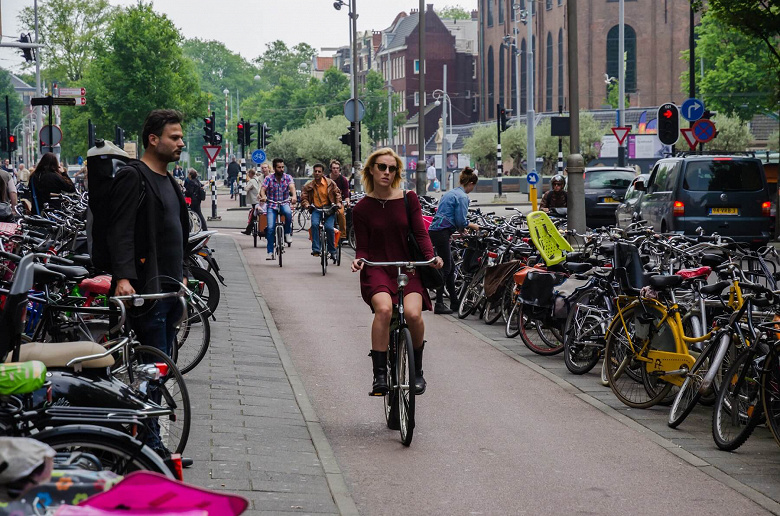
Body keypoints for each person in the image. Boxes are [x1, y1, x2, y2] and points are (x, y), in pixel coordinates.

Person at [107, 109, 190, 458]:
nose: (181, 143)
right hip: (147, 291)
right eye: (175, 137)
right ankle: (148, 446)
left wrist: (183, 272)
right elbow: (120, 230)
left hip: (169, 291)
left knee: (159, 370)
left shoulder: (170, 181)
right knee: (150, 371)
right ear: (153, 139)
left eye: (181, 137)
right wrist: (124, 277)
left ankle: (145, 441)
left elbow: (179, 232)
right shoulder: (133, 176)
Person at [350, 148, 443, 396]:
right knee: (383, 310)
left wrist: (431, 257)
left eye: (392, 169)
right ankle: (380, 376)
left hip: (408, 267)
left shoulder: (408, 199)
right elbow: (363, 247)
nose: (387, 172)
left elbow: (421, 233)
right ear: (371, 169)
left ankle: (417, 371)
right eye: (382, 167)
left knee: (413, 314)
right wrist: (359, 260)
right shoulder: (361, 209)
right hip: (377, 269)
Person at [428, 167, 480, 314]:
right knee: (446, 268)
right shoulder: (463, 197)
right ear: (470, 183)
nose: (472, 189)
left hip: (436, 230)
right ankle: (439, 303)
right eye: (473, 186)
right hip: (442, 232)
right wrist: (473, 226)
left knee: (449, 268)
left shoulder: (450, 193)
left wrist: (460, 230)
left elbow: (448, 215)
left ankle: (454, 302)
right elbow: (461, 220)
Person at [301, 163, 341, 258]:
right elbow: (304, 197)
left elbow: (337, 193)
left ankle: (332, 251)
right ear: (313, 172)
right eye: (315, 171)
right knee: (314, 225)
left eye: (319, 171)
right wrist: (307, 205)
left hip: (329, 209)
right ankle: (316, 249)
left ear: (323, 173)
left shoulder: (330, 183)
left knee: (329, 228)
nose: (317, 173)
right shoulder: (309, 185)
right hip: (316, 209)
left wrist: (338, 203)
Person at [259, 158, 297, 260]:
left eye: (283, 167)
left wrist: (294, 196)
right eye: (279, 167)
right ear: (274, 168)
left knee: (288, 213)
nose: (281, 169)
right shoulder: (269, 178)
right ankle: (270, 252)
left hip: (284, 202)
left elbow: (292, 187)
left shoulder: (288, 177)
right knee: (270, 228)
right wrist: (263, 196)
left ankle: (287, 233)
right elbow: (263, 189)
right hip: (272, 205)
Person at [329, 159, 349, 242]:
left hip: (339, 202)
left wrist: (347, 200)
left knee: (341, 213)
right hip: (328, 202)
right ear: (331, 169)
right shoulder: (326, 179)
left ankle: (343, 235)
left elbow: (346, 193)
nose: (335, 170)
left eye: (337, 168)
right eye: (334, 168)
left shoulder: (343, 180)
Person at [241, 168, 261, 235]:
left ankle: (248, 230)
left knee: (253, 216)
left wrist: (245, 187)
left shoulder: (251, 181)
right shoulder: (258, 179)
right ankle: (248, 230)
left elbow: (247, 188)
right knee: (256, 215)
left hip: (255, 200)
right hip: (260, 199)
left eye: (248, 173)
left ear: (251, 174)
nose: (248, 175)